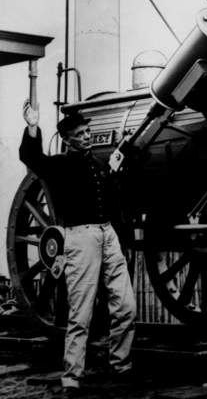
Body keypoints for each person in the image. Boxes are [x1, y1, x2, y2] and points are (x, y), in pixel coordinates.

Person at [19, 101, 136, 398]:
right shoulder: (56, 165)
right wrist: (32, 126)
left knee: (126, 306)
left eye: (88, 131)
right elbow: (30, 156)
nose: (87, 136)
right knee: (80, 313)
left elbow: (112, 199)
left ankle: (121, 365)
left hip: (107, 234)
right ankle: (72, 377)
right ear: (68, 138)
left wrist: (116, 173)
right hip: (80, 238)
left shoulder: (98, 165)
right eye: (82, 133)